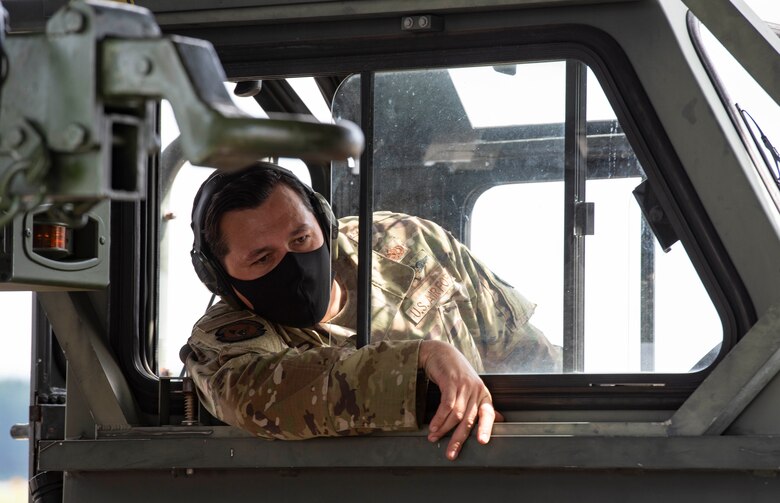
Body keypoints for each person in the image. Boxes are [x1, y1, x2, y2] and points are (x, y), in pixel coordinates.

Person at [181, 162, 560, 461]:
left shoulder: (405, 241)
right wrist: (424, 357)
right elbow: (259, 395)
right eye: (263, 258)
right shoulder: (224, 338)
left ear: (322, 222)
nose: (293, 263)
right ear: (220, 278)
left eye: (301, 238)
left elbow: (526, 354)